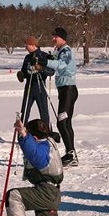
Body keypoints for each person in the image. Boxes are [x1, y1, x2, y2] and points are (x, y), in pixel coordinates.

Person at [0, 118, 93, 216]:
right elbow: (36, 144)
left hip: (46, 193)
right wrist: (24, 133)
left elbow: (34, 152)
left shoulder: (42, 150)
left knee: (13, 195)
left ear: (35, 137)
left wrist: (23, 134)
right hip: (52, 193)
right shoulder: (49, 142)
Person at [38, 27, 79, 166]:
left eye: (56, 36)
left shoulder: (66, 51)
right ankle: (71, 154)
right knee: (65, 122)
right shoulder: (59, 51)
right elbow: (53, 62)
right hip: (64, 90)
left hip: (69, 90)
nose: (53, 38)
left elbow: (61, 64)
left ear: (62, 38)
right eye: (53, 36)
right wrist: (45, 61)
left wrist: (46, 62)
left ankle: (71, 154)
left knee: (62, 122)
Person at [17, 36, 53, 127]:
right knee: (24, 111)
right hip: (29, 87)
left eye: (27, 45)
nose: (25, 47)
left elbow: (51, 71)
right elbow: (24, 71)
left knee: (43, 111)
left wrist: (41, 68)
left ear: (33, 45)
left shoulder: (43, 56)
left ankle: (47, 132)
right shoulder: (27, 57)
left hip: (40, 87)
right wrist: (22, 75)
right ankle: (22, 134)